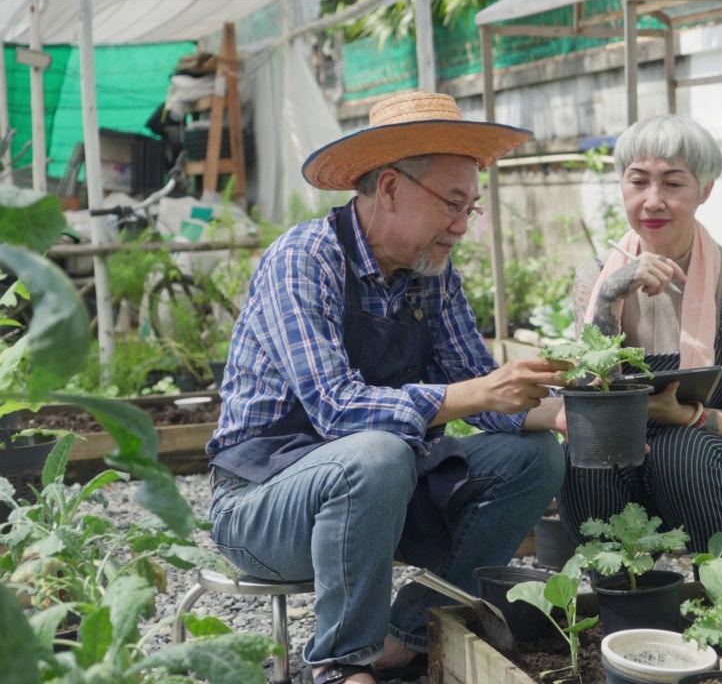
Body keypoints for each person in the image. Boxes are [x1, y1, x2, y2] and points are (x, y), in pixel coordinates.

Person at [205, 91, 569, 684]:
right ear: (392, 188)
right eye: (453, 204)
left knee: (533, 458)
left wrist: (559, 412)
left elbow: (485, 398)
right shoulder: (305, 259)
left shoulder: (432, 274)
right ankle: (342, 664)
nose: (462, 226)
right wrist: (480, 393)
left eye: (471, 208)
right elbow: (335, 406)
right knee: (377, 452)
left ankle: (408, 635)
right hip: (263, 506)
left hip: (381, 492)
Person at [561, 114, 722, 563]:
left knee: (679, 450)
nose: (653, 201)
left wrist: (685, 415)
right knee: (587, 451)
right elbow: (592, 393)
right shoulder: (597, 278)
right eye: (638, 182)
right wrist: (613, 294)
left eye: (673, 184)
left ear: (704, 191)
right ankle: (626, 603)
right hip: (631, 461)